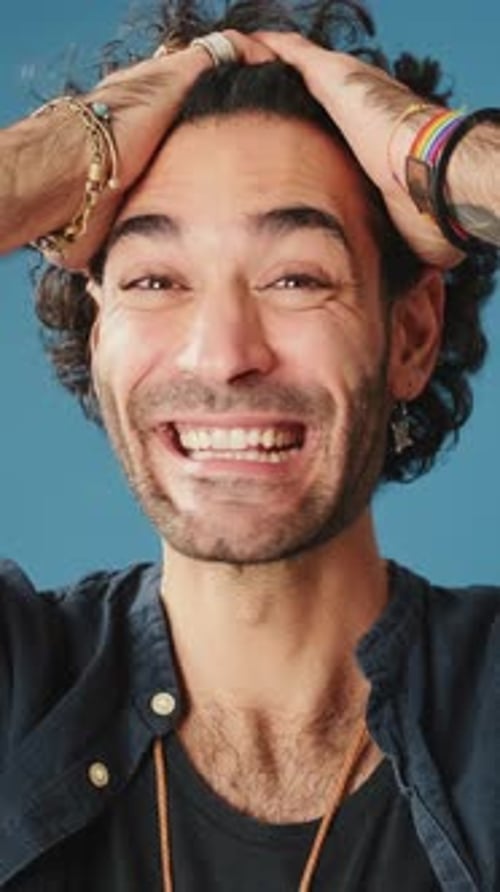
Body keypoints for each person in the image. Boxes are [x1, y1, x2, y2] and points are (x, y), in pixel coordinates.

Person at [0, 1, 499, 890]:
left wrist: (446, 158)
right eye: (155, 279)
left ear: (413, 336)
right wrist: (67, 156)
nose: (226, 355)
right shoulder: (19, 687)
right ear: (96, 329)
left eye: (297, 277)